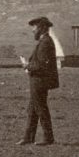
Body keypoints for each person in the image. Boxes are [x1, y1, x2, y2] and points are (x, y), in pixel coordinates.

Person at [18, 16, 59, 145]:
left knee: (40, 109)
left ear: (41, 28)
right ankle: (28, 137)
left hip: (40, 81)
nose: (32, 31)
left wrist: (27, 66)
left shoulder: (45, 42)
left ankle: (48, 138)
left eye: (34, 28)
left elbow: (41, 65)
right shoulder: (45, 41)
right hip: (38, 80)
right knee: (33, 109)